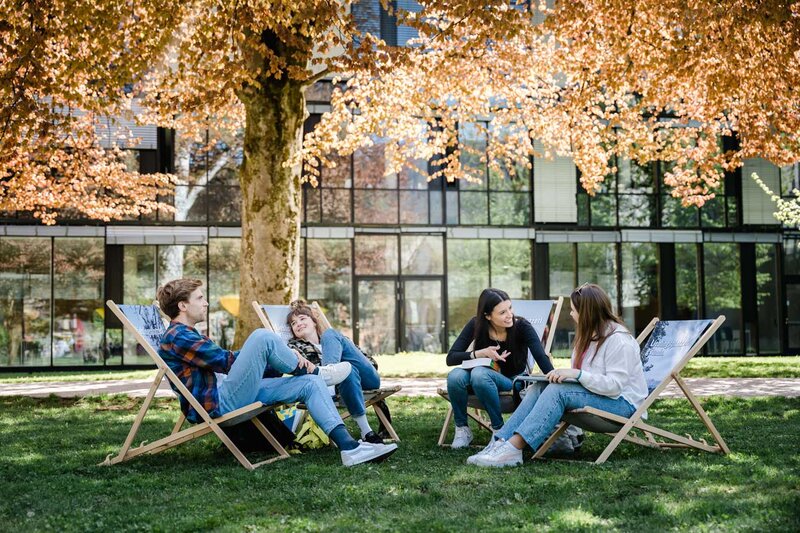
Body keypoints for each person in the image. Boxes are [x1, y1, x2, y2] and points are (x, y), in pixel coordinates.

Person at [156, 278, 398, 467]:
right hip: (218, 403)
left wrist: (275, 356)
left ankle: (350, 448)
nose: (205, 302)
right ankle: (320, 373)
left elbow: (228, 362)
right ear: (183, 305)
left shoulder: (190, 334)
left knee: (308, 384)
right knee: (262, 337)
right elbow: (225, 361)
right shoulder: (178, 335)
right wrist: (279, 354)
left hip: (233, 391)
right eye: (200, 298)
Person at [467, 283, 648, 467]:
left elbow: (614, 386)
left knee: (558, 392)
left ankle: (513, 449)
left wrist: (576, 374)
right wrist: (561, 376)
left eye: (574, 310)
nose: (571, 314)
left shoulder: (619, 340)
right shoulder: (588, 337)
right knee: (540, 386)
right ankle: (499, 442)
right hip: (599, 396)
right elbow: (585, 380)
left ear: (587, 313)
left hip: (622, 405)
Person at [446, 288, 554, 448]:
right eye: (502, 312)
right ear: (487, 316)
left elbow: (540, 356)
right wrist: (480, 353)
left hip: (512, 380)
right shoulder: (476, 325)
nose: (509, 315)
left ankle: (499, 430)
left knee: (479, 374)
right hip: (480, 379)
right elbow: (451, 358)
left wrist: (554, 378)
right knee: (455, 376)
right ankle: (462, 429)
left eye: (510, 308)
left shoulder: (522, 327)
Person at [286, 300, 384, 444]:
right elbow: (298, 369)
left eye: (302, 319)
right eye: (293, 323)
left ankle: (330, 375)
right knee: (347, 370)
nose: (298, 323)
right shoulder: (294, 347)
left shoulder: (335, 338)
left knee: (330, 334)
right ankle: (367, 432)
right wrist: (292, 351)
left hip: (368, 379)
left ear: (314, 322)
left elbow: (371, 362)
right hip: (345, 382)